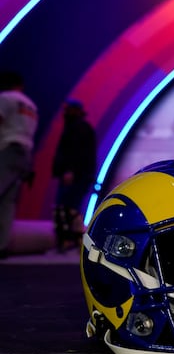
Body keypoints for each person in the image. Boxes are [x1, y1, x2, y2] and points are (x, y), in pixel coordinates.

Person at [0, 71, 38, 260]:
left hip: (7, 149)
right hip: (25, 153)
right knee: (8, 202)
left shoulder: (5, 98)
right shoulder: (30, 105)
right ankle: (2, 246)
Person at [52, 99, 96, 253]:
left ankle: (71, 242)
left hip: (77, 175)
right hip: (80, 174)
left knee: (66, 210)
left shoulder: (78, 128)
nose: (65, 113)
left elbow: (76, 152)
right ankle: (78, 242)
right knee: (70, 209)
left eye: (69, 109)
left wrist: (70, 170)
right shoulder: (79, 127)